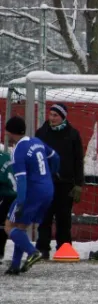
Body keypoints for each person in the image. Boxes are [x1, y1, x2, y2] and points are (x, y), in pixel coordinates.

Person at [4, 116, 60, 275]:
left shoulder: (18, 151)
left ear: (9, 132)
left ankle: (33, 252)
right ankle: (15, 266)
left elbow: (21, 180)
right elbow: (56, 157)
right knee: (20, 227)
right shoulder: (37, 141)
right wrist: (53, 173)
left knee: (9, 226)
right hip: (48, 189)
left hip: (32, 191)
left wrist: (21, 202)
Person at [35, 103, 84, 259]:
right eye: (51, 115)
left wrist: (78, 184)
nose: (52, 118)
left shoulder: (73, 134)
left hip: (65, 184)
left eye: (55, 115)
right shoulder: (42, 133)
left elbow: (78, 161)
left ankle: (64, 249)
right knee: (45, 217)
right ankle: (42, 249)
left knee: (64, 219)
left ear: (63, 117)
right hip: (46, 184)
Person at [0, 151, 17, 260]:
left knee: (3, 225)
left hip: (6, 193)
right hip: (14, 194)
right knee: (4, 225)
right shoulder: (5, 155)